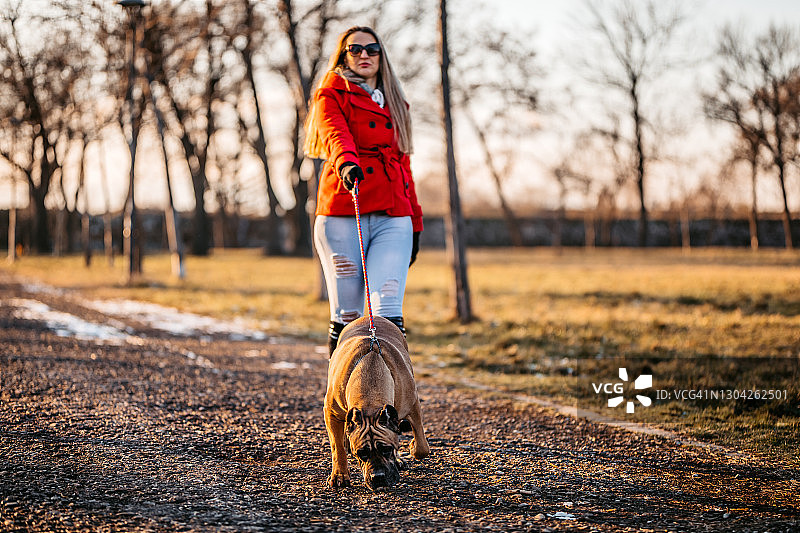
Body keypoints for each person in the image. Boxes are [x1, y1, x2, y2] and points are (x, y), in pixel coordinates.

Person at [304, 26, 423, 357]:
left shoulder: (397, 104)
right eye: (354, 50)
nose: (364, 56)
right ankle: (342, 397)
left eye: (372, 49)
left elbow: (404, 168)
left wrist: (415, 224)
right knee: (349, 314)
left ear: (381, 56)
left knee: (388, 311)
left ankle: (391, 397)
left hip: (393, 215)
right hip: (345, 206)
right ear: (343, 55)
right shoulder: (330, 93)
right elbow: (335, 134)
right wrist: (346, 163)